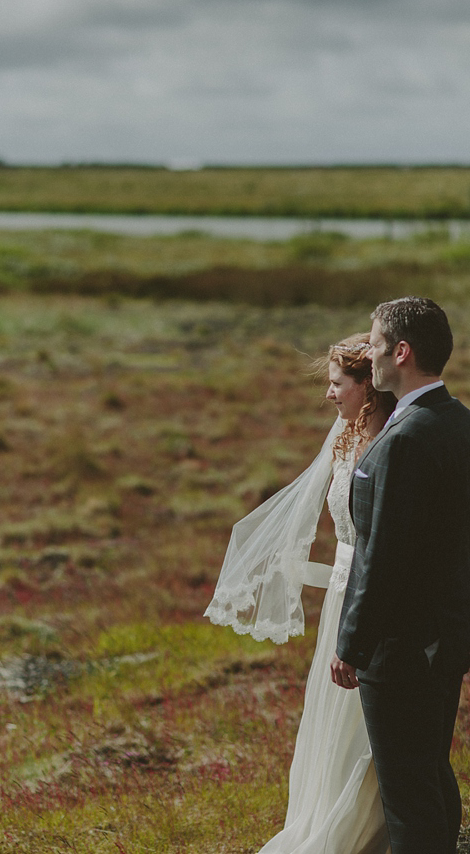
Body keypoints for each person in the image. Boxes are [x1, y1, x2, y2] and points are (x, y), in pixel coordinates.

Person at [204, 333, 395, 854]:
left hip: (371, 597)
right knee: (331, 722)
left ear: (367, 386)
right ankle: (324, 821)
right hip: (341, 599)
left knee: (367, 729)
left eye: (337, 384)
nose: (329, 395)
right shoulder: (345, 437)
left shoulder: (393, 443)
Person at [332, 296, 470, 854]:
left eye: (376, 343)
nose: (370, 352)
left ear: (402, 352)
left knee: (408, 794)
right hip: (447, 639)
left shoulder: (404, 440)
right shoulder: (459, 422)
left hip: (402, 647)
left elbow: (383, 554)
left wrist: (352, 643)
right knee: (432, 774)